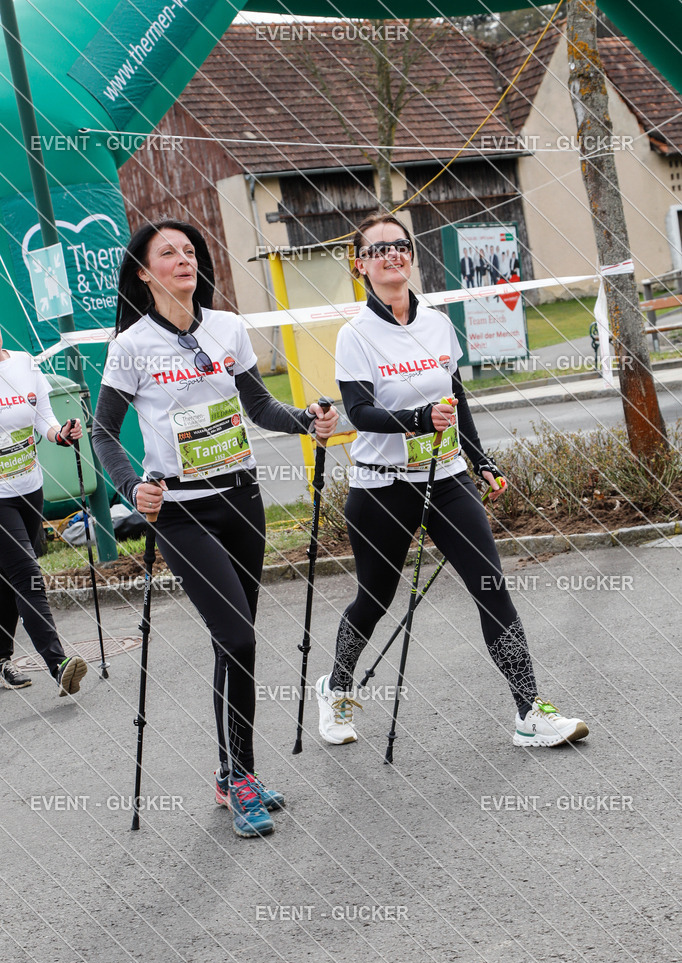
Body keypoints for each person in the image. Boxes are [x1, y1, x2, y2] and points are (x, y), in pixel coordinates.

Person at [92, 219, 337, 839]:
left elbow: (257, 405)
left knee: (237, 641)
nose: (184, 259)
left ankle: (231, 776)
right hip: (181, 511)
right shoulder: (132, 346)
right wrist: (132, 488)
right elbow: (102, 432)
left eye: (190, 250)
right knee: (237, 636)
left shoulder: (228, 328)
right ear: (144, 273)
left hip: (242, 501)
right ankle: (244, 776)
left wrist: (304, 419)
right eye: (167, 253)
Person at [315, 213, 589, 750]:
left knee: (491, 587)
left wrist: (480, 460)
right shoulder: (356, 335)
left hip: (447, 480)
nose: (393, 255)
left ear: (411, 256)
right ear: (360, 265)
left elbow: (456, 400)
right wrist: (419, 421)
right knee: (375, 598)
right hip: (382, 487)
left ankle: (530, 711)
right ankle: (337, 687)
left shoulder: (438, 323)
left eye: (401, 245)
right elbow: (360, 413)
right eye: (379, 249)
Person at [0, 329, 87, 696]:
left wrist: (61, 433)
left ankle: (1, 658)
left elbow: (43, 417)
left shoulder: (24, 362)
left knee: (10, 579)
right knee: (27, 576)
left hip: (29, 488)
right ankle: (59, 663)